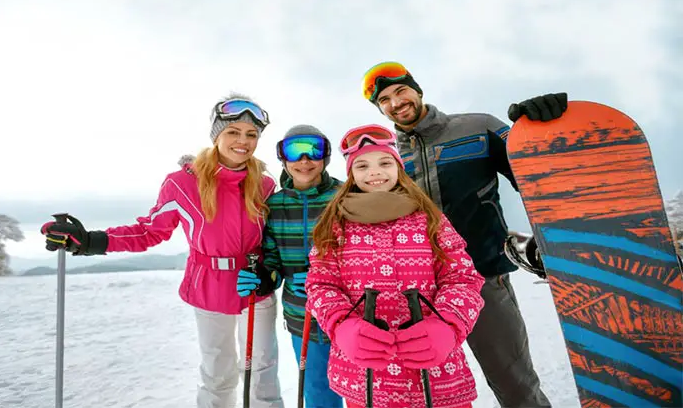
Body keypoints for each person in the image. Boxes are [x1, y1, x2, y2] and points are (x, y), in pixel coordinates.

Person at [40, 93, 285, 408]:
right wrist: (91, 241)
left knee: (262, 372)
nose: (243, 141)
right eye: (233, 132)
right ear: (217, 135)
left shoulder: (264, 185)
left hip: (254, 288)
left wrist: (269, 272)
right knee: (217, 373)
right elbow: (148, 231)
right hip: (209, 288)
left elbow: (273, 238)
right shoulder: (183, 184)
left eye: (252, 134)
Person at [360, 61, 568, 407]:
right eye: (385, 100)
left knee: (514, 383)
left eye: (400, 91)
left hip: (485, 276)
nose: (396, 103)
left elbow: (536, 174)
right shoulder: (385, 158)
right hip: (420, 293)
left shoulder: (477, 127)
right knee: (431, 395)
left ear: (417, 88)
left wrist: (544, 129)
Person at [305, 124, 486, 408]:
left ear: (399, 168)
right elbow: (320, 284)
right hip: (365, 378)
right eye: (362, 165)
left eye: (385, 162)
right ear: (351, 174)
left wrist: (448, 325)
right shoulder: (335, 225)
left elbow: (462, 278)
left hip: (434, 374)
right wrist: (342, 326)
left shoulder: (430, 219)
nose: (374, 172)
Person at [235, 125, 345, 408]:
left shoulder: (346, 197)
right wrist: (264, 278)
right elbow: (273, 260)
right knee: (319, 392)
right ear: (283, 158)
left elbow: (367, 253)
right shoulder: (275, 205)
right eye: (294, 151)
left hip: (352, 313)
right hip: (303, 316)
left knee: (366, 390)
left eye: (314, 150)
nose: (305, 160)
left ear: (325, 156)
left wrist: (329, 276)